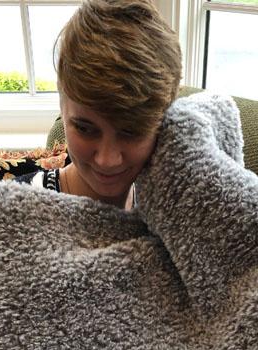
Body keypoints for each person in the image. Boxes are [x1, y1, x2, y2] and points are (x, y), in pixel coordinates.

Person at [16, 0, 182, 211]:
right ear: (62, 107)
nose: (107, 160)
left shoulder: (172, 215)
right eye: (85, 129)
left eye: (131, 132)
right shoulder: (9, 213)